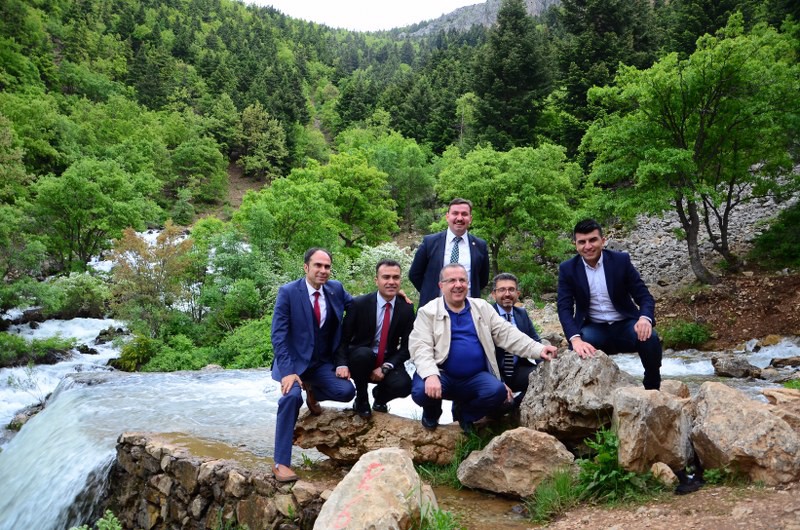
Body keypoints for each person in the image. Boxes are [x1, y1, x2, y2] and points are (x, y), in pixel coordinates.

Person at [409, 264, 557, 433]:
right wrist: (430, 374)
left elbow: (508, 334)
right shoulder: (427, 312)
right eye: (452, 281)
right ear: (441, 285)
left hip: (475, 377)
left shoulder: (481, 307)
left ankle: (466, 415)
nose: (458, 285)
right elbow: (420, 347)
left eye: (462, 280)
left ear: (468, 284)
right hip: (442, 374)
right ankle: (432, 411)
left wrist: (539, 349)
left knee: (497, 392)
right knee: (421, 391)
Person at [270, 248, 356, 482]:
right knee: (290, 398)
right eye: (318, 265)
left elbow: (357, 306)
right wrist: (288, 372)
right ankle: (281, 463)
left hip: (320, 363)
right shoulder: (288, 292)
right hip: (293, 364)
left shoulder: (336, 289)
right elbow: (278, 335)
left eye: (327, 266)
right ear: (306, 267)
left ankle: (313, 391)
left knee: (346, 391)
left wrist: (390, 296)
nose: (323, 270)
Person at [557, 219, 662, 390]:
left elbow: (644, 296)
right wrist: (575, 339)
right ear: (575, 245)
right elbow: (564, 307)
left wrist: (644, 318)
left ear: (603, 240)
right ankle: (587, 393)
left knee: (650, 337)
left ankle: (652, 386)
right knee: (578, 347)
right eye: (582, 242)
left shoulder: (621, 261)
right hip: (594, 328)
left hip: (626, 324)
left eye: (593, 240)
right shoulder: (568, 269)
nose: (588, 246)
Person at [335, 259, 415, 418]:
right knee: (363, 354)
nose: (391, 282)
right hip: (361, 358)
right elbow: (343, 338)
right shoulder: (359, 304)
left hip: (387, 358)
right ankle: (362, 399)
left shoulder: (406, 309)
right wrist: (341, 363)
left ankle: (380, 398)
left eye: (396, 277)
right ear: (376, 280)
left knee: (405, 385)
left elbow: (408, 347)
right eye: (386, 277)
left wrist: (386, 366)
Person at [409, 198, 490, 308]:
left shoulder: (480, 246)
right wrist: (429, 291)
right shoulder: (430, 242)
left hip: (468, 310)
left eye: (464, 214)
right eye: (455, 213)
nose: (459, 218)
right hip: (434, 309)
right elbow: (415, 274)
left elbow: (483, 280)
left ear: (470, 219)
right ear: (447, 217)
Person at [490, 272, 543, 407]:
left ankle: (517, 404)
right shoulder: (487, 315)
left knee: (544, 379)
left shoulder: (522, 313)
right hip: (495, 372)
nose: (507, 294)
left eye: (511, 289)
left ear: (517, 294)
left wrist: (545, 367)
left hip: (518, 368)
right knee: (499, 403)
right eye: (502, 290)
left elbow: (535, 340)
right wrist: (500, 381)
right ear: (494, 294)